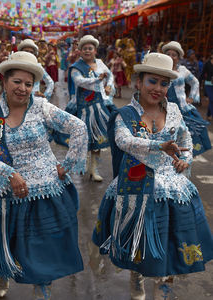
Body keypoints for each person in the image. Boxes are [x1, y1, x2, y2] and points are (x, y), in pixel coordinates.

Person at [0, 52, 88, 300]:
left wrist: (68, 164)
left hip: (45, 191)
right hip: (5, 191)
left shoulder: (41, 107)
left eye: (28, 84)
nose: (22, 88)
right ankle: (3, 270)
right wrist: (9, 173)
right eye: (17, 82)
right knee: (6, 239)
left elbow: (78, 127)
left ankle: (42, 290)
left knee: (44, 247)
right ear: (5, 82)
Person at [92, 52, 213, 300]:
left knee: (169, 252)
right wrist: (160, 147)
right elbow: (123, 141)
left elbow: (185, 139)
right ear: (139, 82)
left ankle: (162, 293)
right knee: (138, 247)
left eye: (164, 83)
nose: (158, 88)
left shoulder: (176, 112)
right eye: (152, 81)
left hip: (173, 193)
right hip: (135, 188)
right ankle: (137, 281)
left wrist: (185, 160)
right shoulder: (125, 115)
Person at [64, 35, 116, 182]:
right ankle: (82, 165)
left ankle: (95, 169)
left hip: (99, 106)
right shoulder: (76, 67)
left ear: (95, 50)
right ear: (80, 50)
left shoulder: (100, 63)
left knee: (99, 139)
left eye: (90, 48)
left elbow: (110, 77)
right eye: (84, 48)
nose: (87, 51)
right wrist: (99, 80)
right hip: (82, 107)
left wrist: (109, 86)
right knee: (82, 139)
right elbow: (80, 82)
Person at [162, 41, 211, 156]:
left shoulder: (183, 70)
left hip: (182, 108)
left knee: (188, 132)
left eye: (174, 55)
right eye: (168, 54)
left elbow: (195, 82)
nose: (171, 57)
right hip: (164, 108)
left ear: (178, 58)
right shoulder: (160, 70)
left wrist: (191, 98)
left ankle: (183, 156)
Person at [201, 49, 213, 121]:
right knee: (211, 99)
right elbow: (203, 73)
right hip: (208, 83)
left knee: (212, 100)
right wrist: (199, 82)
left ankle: (208, 115)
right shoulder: (207, 63)